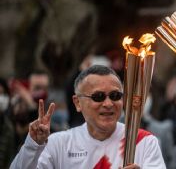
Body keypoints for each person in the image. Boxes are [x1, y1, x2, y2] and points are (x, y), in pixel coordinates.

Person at [11, 65, 166, 169]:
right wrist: (33, 145)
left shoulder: (144, 142)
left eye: (115, 95)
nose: (108, 103)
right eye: (98, 97)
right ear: (77, 103)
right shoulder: (58, 144)